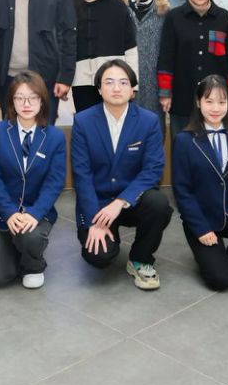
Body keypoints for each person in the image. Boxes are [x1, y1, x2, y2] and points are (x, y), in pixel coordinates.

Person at [71, 61, 171, 290]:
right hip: (97, 203)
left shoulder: (148, 121)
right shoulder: (83, 121)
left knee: (158, 204)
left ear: (133, 89)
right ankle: (106, 234)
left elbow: (153, 169)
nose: (116, 88)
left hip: (131, 200)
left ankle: (140, 258)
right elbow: (82, 175)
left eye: (123, 82)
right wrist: (94, 220)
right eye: (109, 82)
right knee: (99, 258)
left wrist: (121, 201)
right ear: (99, 89)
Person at [171, 75, 228, 291]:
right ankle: (212, 256)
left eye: (221, 102)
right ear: (198, 102)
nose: (215, 108)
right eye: (209, 101)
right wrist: (201, 229)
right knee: (221, 280)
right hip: (201, 220)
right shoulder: (184, 140)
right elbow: (182, 191)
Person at [0, 72, 66, 289]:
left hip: (37, 211)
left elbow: (55, 182)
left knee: (31, 237)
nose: (26, 104)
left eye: (33, 98)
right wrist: (9, 212)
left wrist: (34, 213)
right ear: (11, 101)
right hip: (2, 212)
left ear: (42, 101)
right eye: (20, 98)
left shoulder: (54, 136)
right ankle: (16, 247)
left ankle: (33, 265)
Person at [156, 0, 228, 134]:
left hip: (215, 99)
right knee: (182, 142)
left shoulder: (223, 17)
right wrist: (165, 93)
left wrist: (227, 90)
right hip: (182, 96)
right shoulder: (174, 17)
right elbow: (166, 56)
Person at [70, 0, 137, 112]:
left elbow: (131, 48)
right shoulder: (69, 8)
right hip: (81, 82)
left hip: (115, 81)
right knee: (87, 124)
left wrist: (133, 84)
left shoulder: (118, 7)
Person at [118, 0, 168, 114]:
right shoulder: (119, 8)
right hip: (125, 78)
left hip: (155, 80)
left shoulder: (164, 10)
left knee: (154, 124)